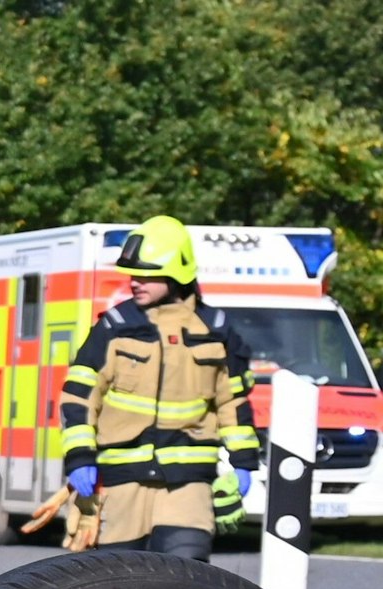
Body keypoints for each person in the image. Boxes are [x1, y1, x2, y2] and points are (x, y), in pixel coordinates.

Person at [58, 215, 261, 559]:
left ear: (177, 273)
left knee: (186, 571)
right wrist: (80, 459)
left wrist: (243, 463)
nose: (136, 282)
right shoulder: (115, 328)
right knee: (118, 581)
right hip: (121, 482)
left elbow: (234, 403)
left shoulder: (216, 330)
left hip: (188, 483)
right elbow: (79, 398)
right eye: (133, 274)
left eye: (147, 275)